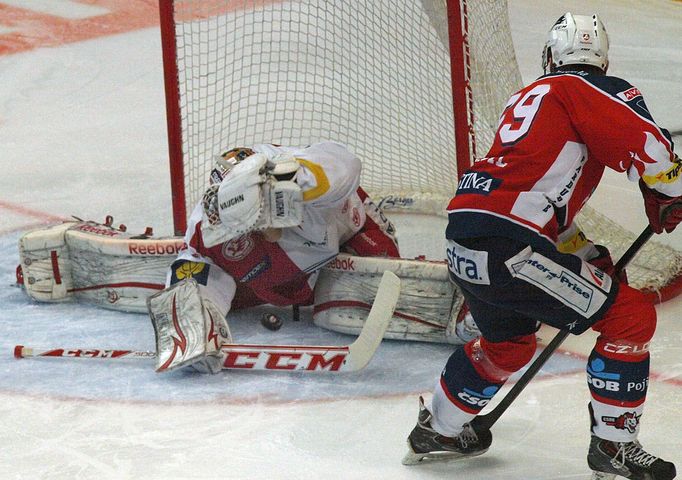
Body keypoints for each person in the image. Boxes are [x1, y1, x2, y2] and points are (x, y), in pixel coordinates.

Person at [403, 13, 681, 479]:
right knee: (631, 317)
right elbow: (647, 144)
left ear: (550, 55)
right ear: (601, 59)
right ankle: (614, 449)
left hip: (466, 240)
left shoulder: (530, 99)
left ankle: (441, 429)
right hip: (511, 245)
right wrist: (671, 190)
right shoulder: (585, 87)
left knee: (508, 344)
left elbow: (540, 202)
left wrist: (588, 256)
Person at [147, 141, 399, 374]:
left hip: (349, 236)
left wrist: (297, 180)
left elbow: (347, 163)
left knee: (363, 302)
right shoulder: (210, 225)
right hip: (278, 279)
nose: (242, 232)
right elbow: (194, 261)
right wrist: (192, 322)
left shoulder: (298, 173)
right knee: (213, 280)